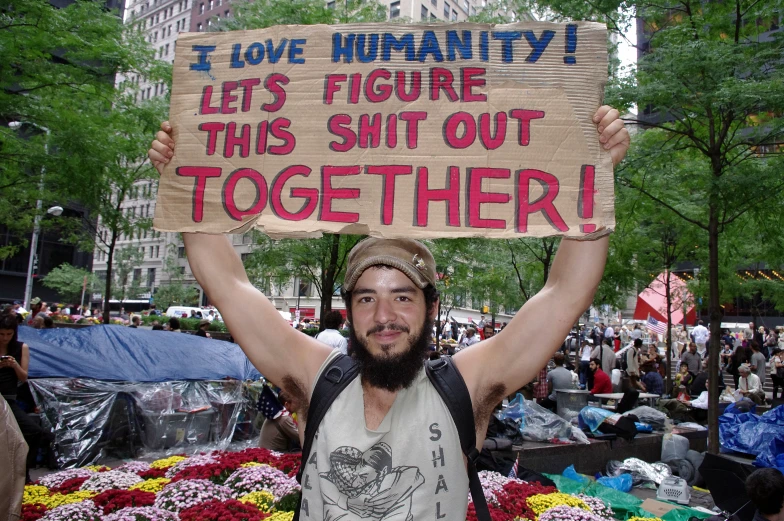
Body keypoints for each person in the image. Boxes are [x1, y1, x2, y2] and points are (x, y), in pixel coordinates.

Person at [148, 106, 629, 519]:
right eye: (366, 298)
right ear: (348, 311)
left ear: (431, 307)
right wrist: (188, 178)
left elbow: (565, 291)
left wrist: (597, 172)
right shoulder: (316, 377)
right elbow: (229, 285)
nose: (384, 315)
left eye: (402, 296)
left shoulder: (467, 385)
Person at [0, 314, 53, 482]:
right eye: (1, 334)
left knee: (34, 432)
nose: (5, 338)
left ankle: (24, 472)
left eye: (8, 334)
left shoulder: (21, 348)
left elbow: (23, 377)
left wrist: (14, 364)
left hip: (9, 399)